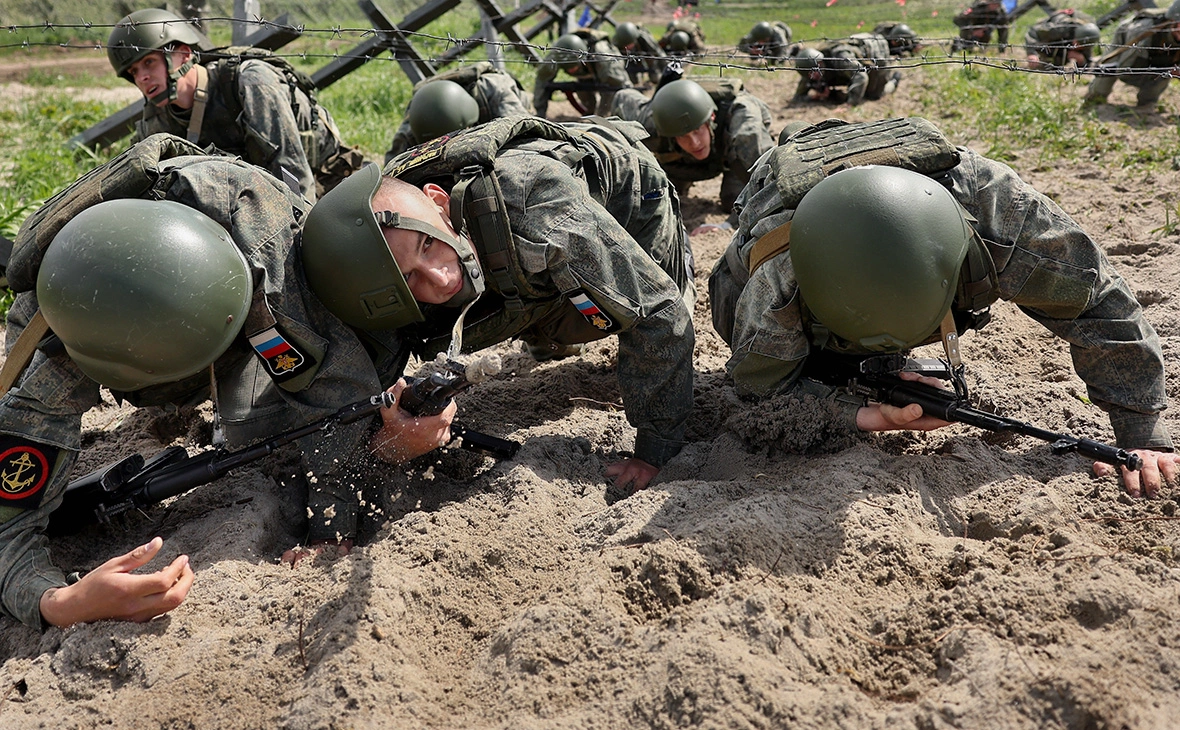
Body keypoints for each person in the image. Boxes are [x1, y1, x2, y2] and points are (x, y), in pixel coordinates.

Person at [0, 135, 454, 630]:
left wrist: (331, 528)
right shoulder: (54, 359)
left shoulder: (274, 264)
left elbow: (333, 392)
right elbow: (7, 531)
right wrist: (60, 602)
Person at [709, 117, 1178, 498]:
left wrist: (1141, 430)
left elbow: (1098, 303)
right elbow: (761, 393)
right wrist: (866, 414)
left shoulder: (1001, 217)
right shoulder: (776, 277)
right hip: (787, 226)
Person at [310, 115, 696, 495]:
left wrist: (654, 453)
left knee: (642, 314)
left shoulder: (534, 203)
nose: (440, 278)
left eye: (428, 245)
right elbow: (346, 403)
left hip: (624, 187)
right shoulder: (371, 272)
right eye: (409, 279)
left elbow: (662, 315)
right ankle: (549, 323)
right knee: (552, 324)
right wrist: (378, 458)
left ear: (439, 202)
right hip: (519, 249)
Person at [107, 8, 364, 202]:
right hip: (250, 196)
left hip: (326, 185)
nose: (142, 77)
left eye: (149, 62)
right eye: (134, 71)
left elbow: (294, 177)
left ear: (184, 54)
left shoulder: (249, 82)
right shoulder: (157, 120)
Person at [610, 78, 774, 231]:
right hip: (686, 157)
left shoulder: (744, 130)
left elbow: (768, 185)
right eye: (683, 136)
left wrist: (727, 225)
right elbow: (622, 97)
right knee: (665, 192)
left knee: (734, 199)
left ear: (712, 118)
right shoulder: (655, 124)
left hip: (731, 151)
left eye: (697, 131)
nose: (694, 142)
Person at [384, 63, 534, 164]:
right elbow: (393, 166)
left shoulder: (498, 94)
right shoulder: (418, 116)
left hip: (509, 108)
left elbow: (528, 137)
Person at [1084, 1, 1180, 107]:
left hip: (1158, 59)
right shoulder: (1144, 31)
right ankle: (1094, 99)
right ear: (1173, 21)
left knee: (1157, 86)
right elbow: (1124, 70)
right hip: (1129, 42)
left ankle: (1147, 104)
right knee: (1108, 73)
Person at [532, 31, 632, 119]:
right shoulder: (556, 56)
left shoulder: (602, 55)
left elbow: (617, 83)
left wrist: (602, 115)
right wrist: (540, 113)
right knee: (584, 92)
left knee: (613, 91)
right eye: (568, 69)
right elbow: (541, 82)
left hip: (606, 71)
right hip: (585, 73)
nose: (571, 71)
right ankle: (590, 112)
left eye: (574, 67)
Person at [792, 35, 901, 106]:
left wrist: (850, 104)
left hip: (874, 52)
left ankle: (894, 80)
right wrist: (817, 96)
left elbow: (861, 75)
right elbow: (798, 97)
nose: (815, 75)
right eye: (811, 74)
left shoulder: (841, 57)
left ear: (820, 61)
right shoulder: (808, 69)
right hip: (852, 67)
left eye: (818, 68)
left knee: (873, 94)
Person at [1024, 10, 1101, 69]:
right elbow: (1033, 32)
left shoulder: (1088, 40)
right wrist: (1031, 53)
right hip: (1049, 40)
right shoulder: (1061, 29)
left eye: (1081, 46)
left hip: (1061, 49)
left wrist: (1081, 60)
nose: (1076, 46)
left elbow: (1088, 66)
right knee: (1040, 64)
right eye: (1077, 42)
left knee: (1057, 64)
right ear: (1075, 35)